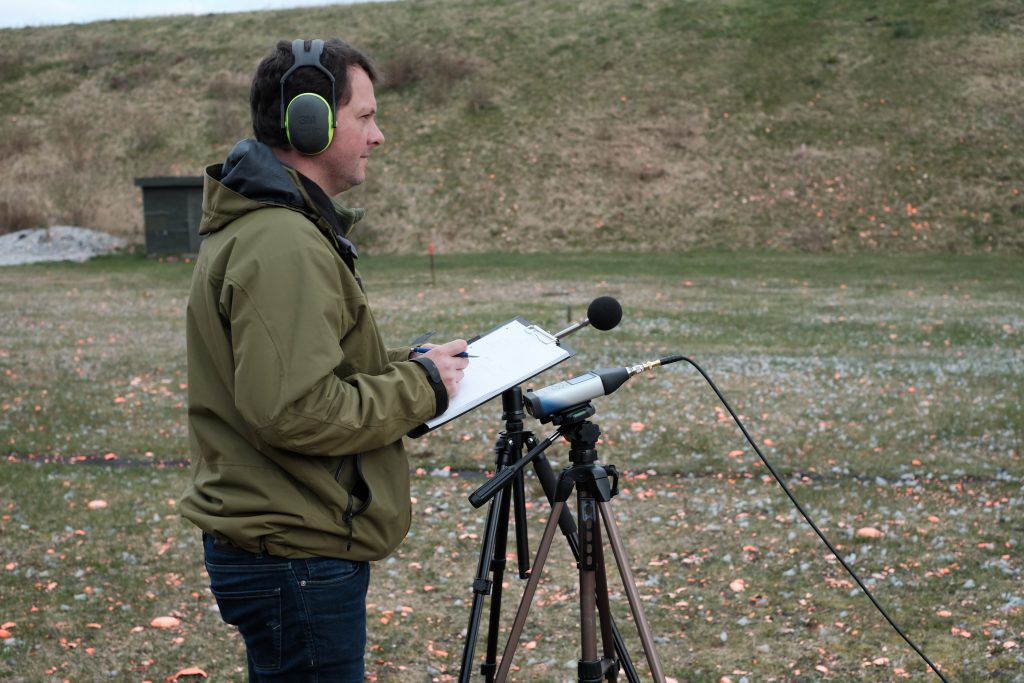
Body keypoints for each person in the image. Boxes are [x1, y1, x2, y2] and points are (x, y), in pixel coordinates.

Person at [180, 38, 469, 682]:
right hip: (294, 555)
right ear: (308, 122)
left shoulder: (272, 225)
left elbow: (305, 370)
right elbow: (293, 410)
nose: (378, 136)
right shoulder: (282, 241)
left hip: (285, 544)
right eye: (365, 117)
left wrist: (410, 366)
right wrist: (420, 388)